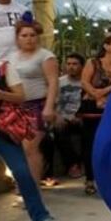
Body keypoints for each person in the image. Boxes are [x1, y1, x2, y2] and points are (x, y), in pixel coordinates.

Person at [0, 56, 59, 221]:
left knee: (22, 171)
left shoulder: (2, 68)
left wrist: (0, 94)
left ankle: (40, 216)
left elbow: (20, 96)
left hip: (1, 130)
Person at [11, 20, 59, 185]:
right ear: (17, 38)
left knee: (31, 148)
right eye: (24, 35)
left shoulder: (45, 56)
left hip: (38, 104)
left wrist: (49, 106)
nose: (29, 39)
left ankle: (34, 188)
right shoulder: (12, 57)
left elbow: (53, 82)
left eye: (32, 35)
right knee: (21, 149)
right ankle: (23, 185)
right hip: (17, 107)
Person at [79, 34, 111, 195]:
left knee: (110, 142)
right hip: (91, 108)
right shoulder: (93, 63)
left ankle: (108, 176)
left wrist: (102, 94)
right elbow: (85, 82)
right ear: (106, 46)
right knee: (90, 143)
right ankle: (90, 179)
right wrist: (97, 94)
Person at [43, 53, 85, 181]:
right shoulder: (59, 82)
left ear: (82, 66)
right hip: (63, 118)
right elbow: (51, 103)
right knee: (58, 131)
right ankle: (73, 164)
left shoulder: (86, 81)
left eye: (75, 64)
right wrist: (58, 116)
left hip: (82, 118)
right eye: (69, 64)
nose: (71, 67)